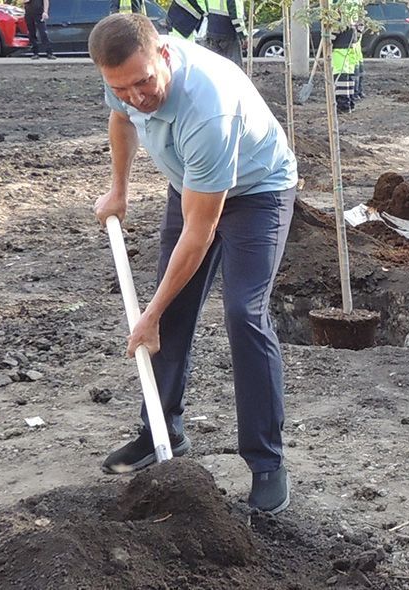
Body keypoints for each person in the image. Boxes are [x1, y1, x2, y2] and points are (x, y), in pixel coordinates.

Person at [88, 13, 298, 514]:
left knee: (244, 313)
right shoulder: (123, 84)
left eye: (144, 81)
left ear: (163, 52)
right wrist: (118, 189)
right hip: (190, 184)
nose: (137, 96)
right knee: (173, 306)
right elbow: (122, 119)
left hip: (259, 191)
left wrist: (150, 314)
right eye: (122, 86)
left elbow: (199, 233)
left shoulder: (207, 106)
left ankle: (267, 462)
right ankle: (160, 430)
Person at [201, 0, 245, 66]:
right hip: (229, 33)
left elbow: (204, 7)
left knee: (214, 68)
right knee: (234, 68)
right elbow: (235, 14)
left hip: (212, 31)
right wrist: (243, 34)